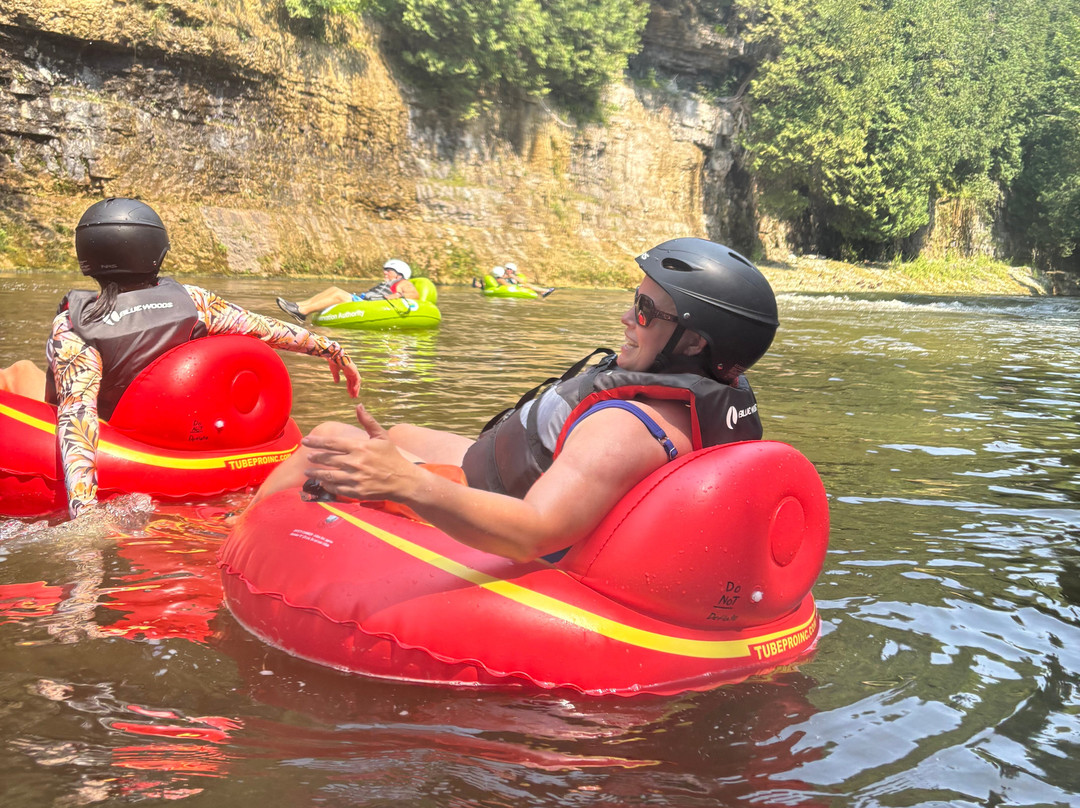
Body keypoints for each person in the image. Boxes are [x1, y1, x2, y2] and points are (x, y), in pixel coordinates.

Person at [246, 237, 778, 562]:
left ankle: (228, 545)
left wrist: (408, 483)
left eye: (643, 310)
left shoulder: (626, 428)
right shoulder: (708, 395)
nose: (624, 317)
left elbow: (536, 532)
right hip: (521, 473)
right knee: (402, 433)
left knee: (324, 444)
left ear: (692, 342)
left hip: (503, 511)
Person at [6, 197, 362, 521]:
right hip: (184, 439)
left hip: (121, 436)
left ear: (87, 259)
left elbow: (77, 413)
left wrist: (83, 513)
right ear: (157, 252)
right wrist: (331, 350)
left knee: (18, 373)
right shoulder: (195, 302)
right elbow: (265, 329)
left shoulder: (76, 324)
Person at [276, 259, 419, 323]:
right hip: (365, 300)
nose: (385, 273)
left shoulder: (403, 282)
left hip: (371, 305)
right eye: (385, 270)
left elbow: (414, 295)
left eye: (389, 270)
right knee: (334, 289)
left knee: (339, 294)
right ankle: (299, 306)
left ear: (399, 274)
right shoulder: (389, 282)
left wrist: (398, 295)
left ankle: (302, 311)